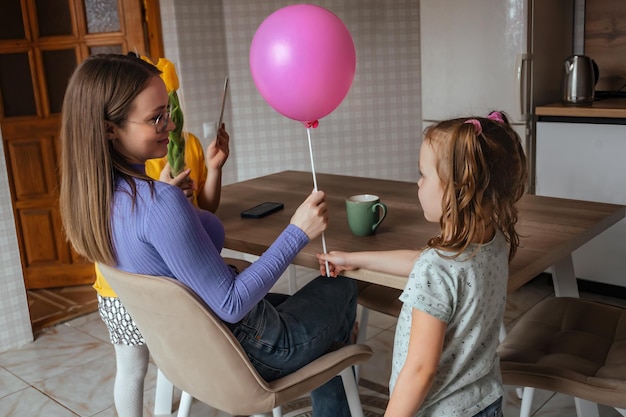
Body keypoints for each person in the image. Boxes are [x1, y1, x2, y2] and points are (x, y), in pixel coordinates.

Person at [59, 53, 357, 417]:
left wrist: (179, 204)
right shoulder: (157, 203)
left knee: (303, 304)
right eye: (156, 118)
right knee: (339, 286)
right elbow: (230, 304)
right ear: (109, 128)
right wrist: (297, 231)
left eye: (167, 112)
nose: (169, 125)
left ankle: (325, 362)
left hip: (191, 353)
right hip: (243, 353)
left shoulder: (98, 201)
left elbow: (180, 249)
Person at [318, 111, 528, 417]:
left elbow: (419, 371)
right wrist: (352, 259)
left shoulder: (438, 267)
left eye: (424, 174)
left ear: (458, 189)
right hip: (485, 401)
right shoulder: (490, 241)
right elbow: (424, 263)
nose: (418, 183)